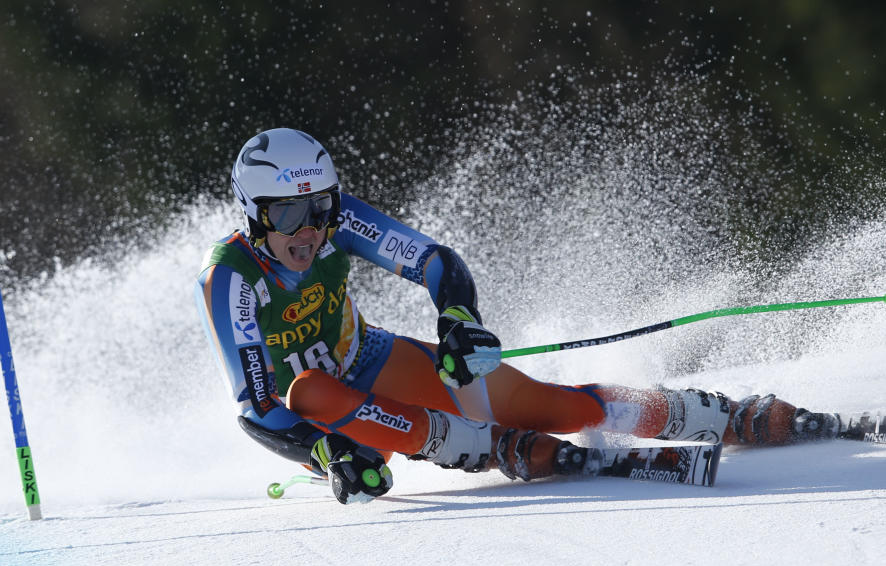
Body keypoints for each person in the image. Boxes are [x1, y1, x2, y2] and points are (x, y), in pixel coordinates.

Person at [195, 128, 844, 504]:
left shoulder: (337, 219)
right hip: (321, 424)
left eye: (321, 210)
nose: (309, 231)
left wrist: (456, 319)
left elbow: (434, 260)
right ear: (254, 214)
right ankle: (477, 447)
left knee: (556, 408)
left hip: (375, 363)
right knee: (310, 387)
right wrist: (325, 451)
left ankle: (722, 414)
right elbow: (258, 407)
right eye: (287, 216)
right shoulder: (231, 280)